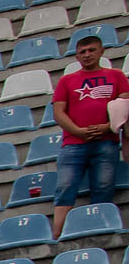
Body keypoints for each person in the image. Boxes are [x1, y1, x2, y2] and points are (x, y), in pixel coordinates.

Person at [51, 33, 125, 238]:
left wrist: (107, 127)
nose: (87, 55)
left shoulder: (116, 76)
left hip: (106, 142)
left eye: (91, 50)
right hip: (73, 143)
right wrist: (78, 131)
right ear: (76, 57)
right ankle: (57, 236)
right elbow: (58, 112)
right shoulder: (67, 81)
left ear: (101, 51)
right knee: (65, 187)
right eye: (82, 52)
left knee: (103, 187)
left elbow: (125, 107)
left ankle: (98, 229)